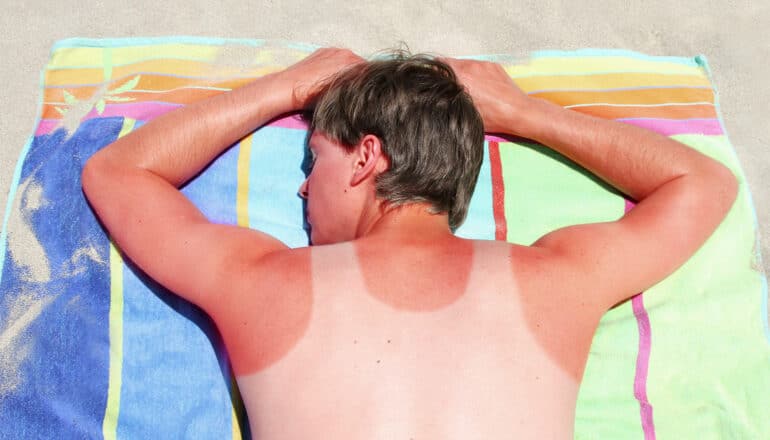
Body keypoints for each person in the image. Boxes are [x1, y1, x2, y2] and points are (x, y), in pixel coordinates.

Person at [81, 47, 738, 438]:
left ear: (366, 158)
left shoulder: (267, 282)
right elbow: (701, 182)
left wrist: (282, 88)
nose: (304, 192)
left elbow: (118, 172)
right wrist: (524, 112)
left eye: (315, 162)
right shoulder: (559, 277)